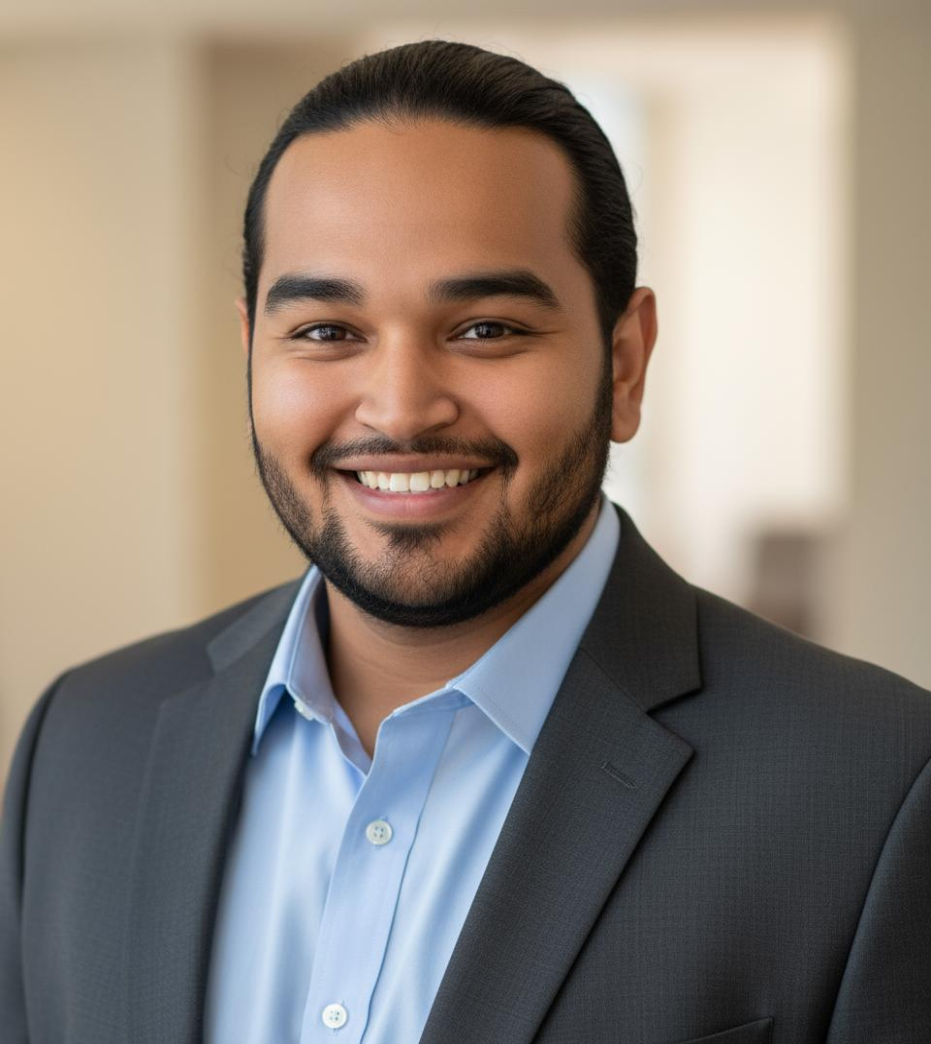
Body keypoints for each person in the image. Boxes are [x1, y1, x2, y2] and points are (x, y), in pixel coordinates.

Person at [1, 39, 929, 1044]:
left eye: (485, 329)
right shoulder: (83, 743)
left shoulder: (870, 794)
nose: (399, 409)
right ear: (252, 352)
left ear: (623, 364)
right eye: (324, 332)